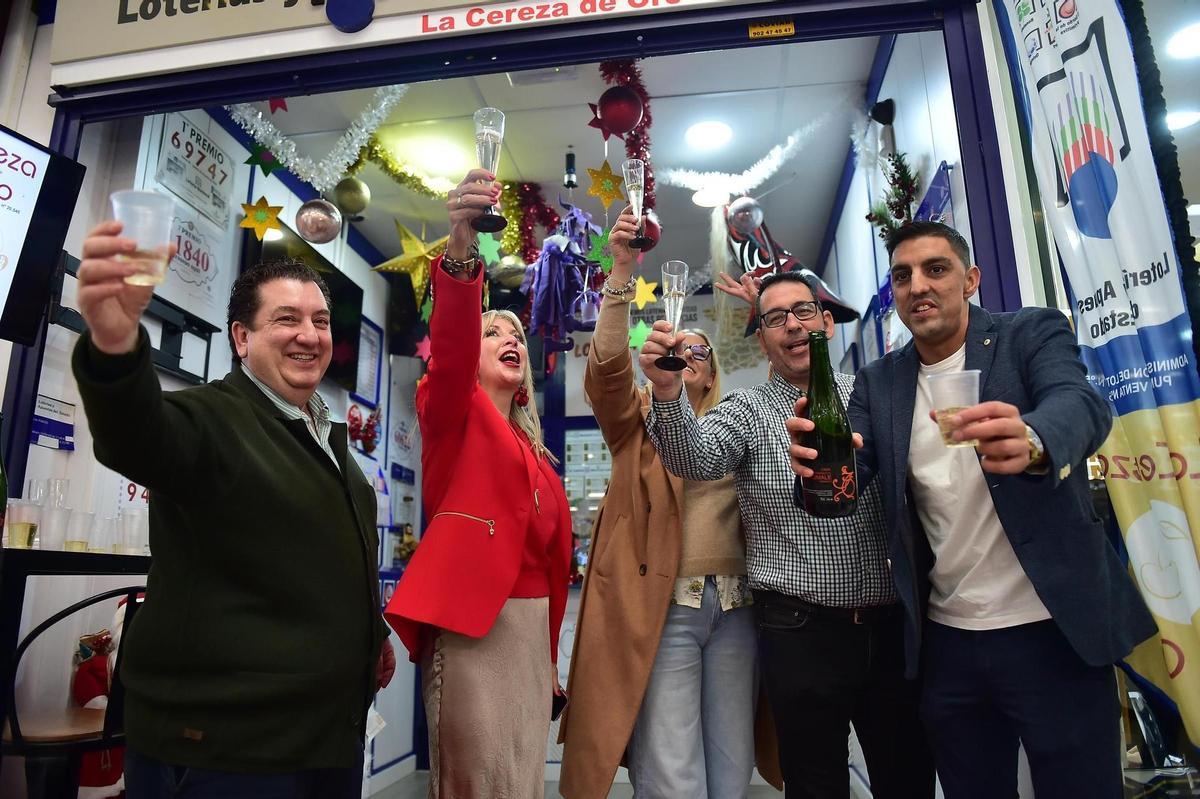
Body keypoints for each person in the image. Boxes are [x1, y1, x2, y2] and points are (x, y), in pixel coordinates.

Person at [788, 221, 1157, 799]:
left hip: (1052, 629)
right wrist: (817, 465)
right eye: (903, 275)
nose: (918, 287)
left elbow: (1079, 403)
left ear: (971, 280)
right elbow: (844, 483)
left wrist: (1034, 438)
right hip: (949, 645)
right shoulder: (879, 382)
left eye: (936, 269)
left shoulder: (1027, 334)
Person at [72, 223, 394, 798]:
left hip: (324, 741)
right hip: (225, 753)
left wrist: (373, 636)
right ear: (241, 338)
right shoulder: (211, 420)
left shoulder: (326, 441)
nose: (310, 335)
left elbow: (315, 561)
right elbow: (135, 434)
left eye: (320, 321)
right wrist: (115, 348)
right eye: (287, 319)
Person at [640, 270, 934, 799]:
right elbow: (693, 457)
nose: (792, 326)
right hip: (799, 631)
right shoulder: (746, 412)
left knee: (907, 774)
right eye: (775, 318)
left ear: (826, 322)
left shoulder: (869, 396)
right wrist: (667, 391)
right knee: (816, 783)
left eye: (803, 312)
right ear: (762, 338)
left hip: (890, 628)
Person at [558, 209, 781, 799]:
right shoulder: (639, 421)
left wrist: (769, 308)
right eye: (673, 349)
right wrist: (622, 274)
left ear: (712, 372)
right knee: (670, 770)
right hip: (663, 606)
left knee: (732, 767)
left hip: (738, 608)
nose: (685, 356)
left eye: (697, 351)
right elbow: (606, 371)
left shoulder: (747, 420)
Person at [385, 168, 573, 798]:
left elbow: (551, 569)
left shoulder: (540, 457)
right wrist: (462, 254)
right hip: (471, 629)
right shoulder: (448, 414)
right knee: (474, 787)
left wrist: (549, 658)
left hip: (528, 636)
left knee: (521, 785)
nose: (507, 338)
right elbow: (454, 347)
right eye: (494, 331)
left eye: (516, 333)